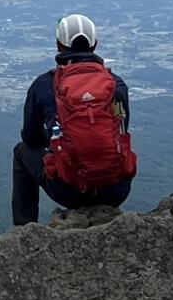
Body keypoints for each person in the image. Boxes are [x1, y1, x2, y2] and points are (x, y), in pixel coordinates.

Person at [12, 13, 135, 225]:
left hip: (69, 190)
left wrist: (55, 144)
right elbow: (121, 129)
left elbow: (31, 138)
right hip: (116, 190)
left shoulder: (44, 85)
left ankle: (24, 228)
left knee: (21, 151)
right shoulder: (116, 85)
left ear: (59, 45)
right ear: (95, 44)